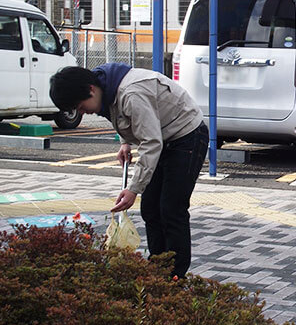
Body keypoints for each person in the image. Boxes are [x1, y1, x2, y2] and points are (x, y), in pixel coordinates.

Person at [50, 64, 208, 279]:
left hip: (186, 135)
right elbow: (124, 116)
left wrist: (133, 188)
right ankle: (158, 267)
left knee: (171, 209)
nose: (81, 112)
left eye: (80, 106)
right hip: (161, 136)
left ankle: (174, 277)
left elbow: (150, 143)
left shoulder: (132, 93)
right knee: (151, 208)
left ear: (90, 89)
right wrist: (125, 142)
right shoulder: (104, 87)